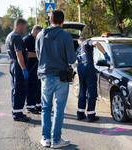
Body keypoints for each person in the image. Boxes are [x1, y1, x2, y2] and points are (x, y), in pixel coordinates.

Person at [36, 10, 76, 149]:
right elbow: (71, 59)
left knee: (46, 108)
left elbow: (38, 55)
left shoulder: (40, 35)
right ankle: (56, 140)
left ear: (50, 20)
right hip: (61, 77)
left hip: (45, 76)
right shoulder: (66, 36)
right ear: (62, 22)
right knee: (59, 109)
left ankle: (45, 139)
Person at [76, 37, 110, 122]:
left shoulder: (78, 49)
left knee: (82, 91)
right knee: (91, 90)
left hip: (80, 67)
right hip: (87, 66)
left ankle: (80, 113)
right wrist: (105, 53)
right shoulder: (87, 42)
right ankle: (91, 115)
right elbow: (96, 43)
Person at [6, 18, 29, 122]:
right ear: (19, 25)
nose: (24, 29)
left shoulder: (9, 36)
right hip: (18, 66)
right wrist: (24, 69)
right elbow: (19, 54)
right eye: (23, 27)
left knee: (15, 88)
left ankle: (16, 111)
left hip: (13, 64)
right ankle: (17, 114)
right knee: (19, 89)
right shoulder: (17, 37)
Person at [23, 25, 43, 114]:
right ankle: (30, 106)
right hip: (30, 67)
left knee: (38, 87)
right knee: (31, 86)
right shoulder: (27, 40)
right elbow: (25, 54)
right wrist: (38, 54)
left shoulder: (35, 40)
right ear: (35, 32)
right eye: (40, 33)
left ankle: (38, 105)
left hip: (36, 68)